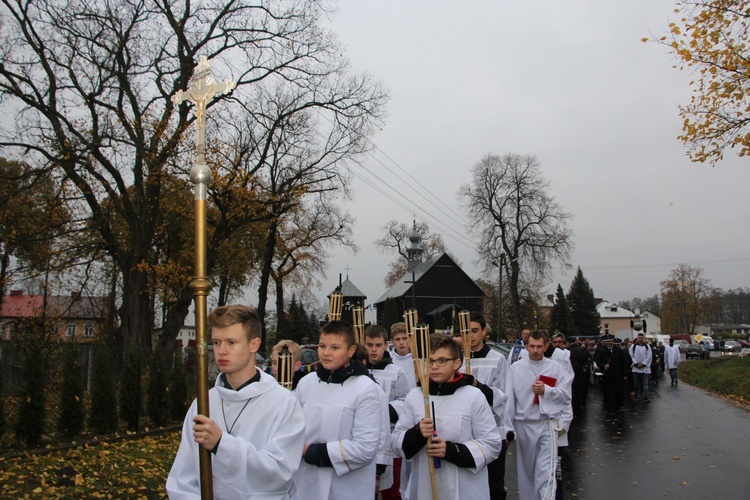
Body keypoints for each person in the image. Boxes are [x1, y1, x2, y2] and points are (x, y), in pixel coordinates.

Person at [166, 305, 306, 499]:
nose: (221, 351)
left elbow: (279, 473)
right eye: (216, 342)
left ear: (254, 345)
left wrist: (221, 445)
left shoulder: (283, 403)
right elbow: (183, 478)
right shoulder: (204, 403)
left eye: (231, 342)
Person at [392, 333, 502, 499]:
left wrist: (451, 450)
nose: (434, 366)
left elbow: (491, 444)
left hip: (465, 488)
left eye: (442, 360)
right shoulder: (415, 396)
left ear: (457, 363)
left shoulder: (473, 396)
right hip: (424, 486)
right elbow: (395, 442)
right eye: (430, 361)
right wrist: (417, 434)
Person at [292, 320, 383, 500]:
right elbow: (291, 428)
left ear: (351, 351)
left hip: (348, 488)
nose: (326, 353)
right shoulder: (306, 383)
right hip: (307, 484)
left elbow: (365, 448)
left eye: (335, 348)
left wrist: (310, 452)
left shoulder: (365, 388)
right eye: (322, 346)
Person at [504, 330, 572, 500]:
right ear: (526, 346)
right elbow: (509, 401)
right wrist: (507, 428)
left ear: (546, 346)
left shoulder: (555, 367)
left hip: (546, 425)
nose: (535, 350)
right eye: (532, 346)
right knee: (527, 473)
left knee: (546, 472)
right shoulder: (515, 368)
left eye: (539, 347)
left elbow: (566, 397)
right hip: (524, 424)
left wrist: (546, 391)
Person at [459, 312, 509, 500]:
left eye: (474, 331)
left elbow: (503, 395)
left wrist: (478, 386)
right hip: (466, 429)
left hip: (493, 428)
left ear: (484, 332)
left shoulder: (497, 359)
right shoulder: (457, 360)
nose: (470, 336)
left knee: (494, 484)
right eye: (466, 331)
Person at [364, 324, 410, 499]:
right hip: (364, 437)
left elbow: (405, 401)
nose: (374, 350)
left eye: (378, 345)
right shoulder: (357, 371)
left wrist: (382, 410)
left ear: (386, 345)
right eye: (369, 345)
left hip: (389, 437)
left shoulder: (396, 372)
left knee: (391, 490)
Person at [593, 335, 627, 413]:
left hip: (618, 375)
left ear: (613, 341)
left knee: (618, 391)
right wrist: (603, 365)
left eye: (610, 341)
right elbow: (597, 361)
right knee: (608, 392)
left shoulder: (618, 350)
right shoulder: (602, 351)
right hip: (607, 375)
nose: (609, 343)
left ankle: (618, 406)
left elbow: (624, 362)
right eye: (607, 341)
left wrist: (625, 374)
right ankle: (609, 408)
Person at [629, 333, 652, 402]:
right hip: (636, 369)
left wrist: (643, 364)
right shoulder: (633, 347)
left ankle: (645, 397)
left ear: (643, 339)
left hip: (645, 369)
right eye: (639, 338)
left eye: (642, 338)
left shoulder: (647, 347)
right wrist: (636, 363)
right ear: (637, 338)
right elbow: (630, 355)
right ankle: (636, 395)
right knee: (636, 384)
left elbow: (649, 356)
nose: (640, 339)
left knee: (645, 384)